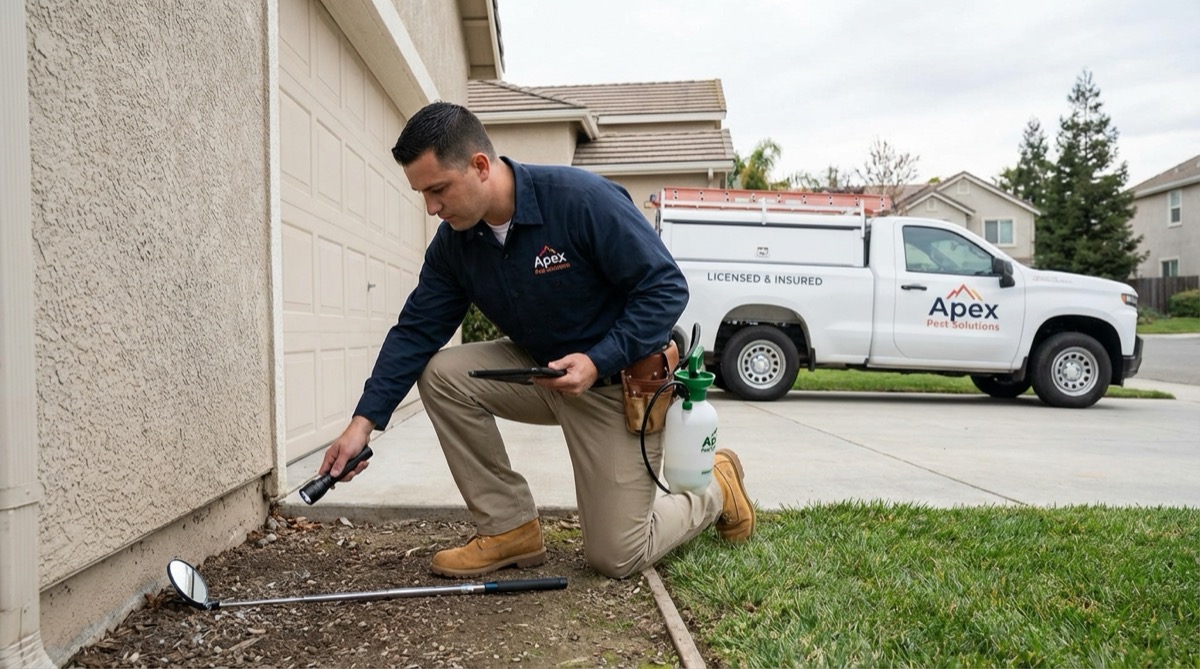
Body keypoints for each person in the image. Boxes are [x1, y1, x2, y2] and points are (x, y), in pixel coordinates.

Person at [317, 101, 754, 579]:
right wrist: (362, 424)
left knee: (617, 555)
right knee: (442, 374)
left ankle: (718, 487)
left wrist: (596, 359)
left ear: (480, 166)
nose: (432, 207)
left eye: (438, 189)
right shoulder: (455, 245)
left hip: (615, 385)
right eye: (422, 193)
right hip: (542, 374)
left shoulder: (581, 200)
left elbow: (666, 288)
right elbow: (416, 330)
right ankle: (509, 529)